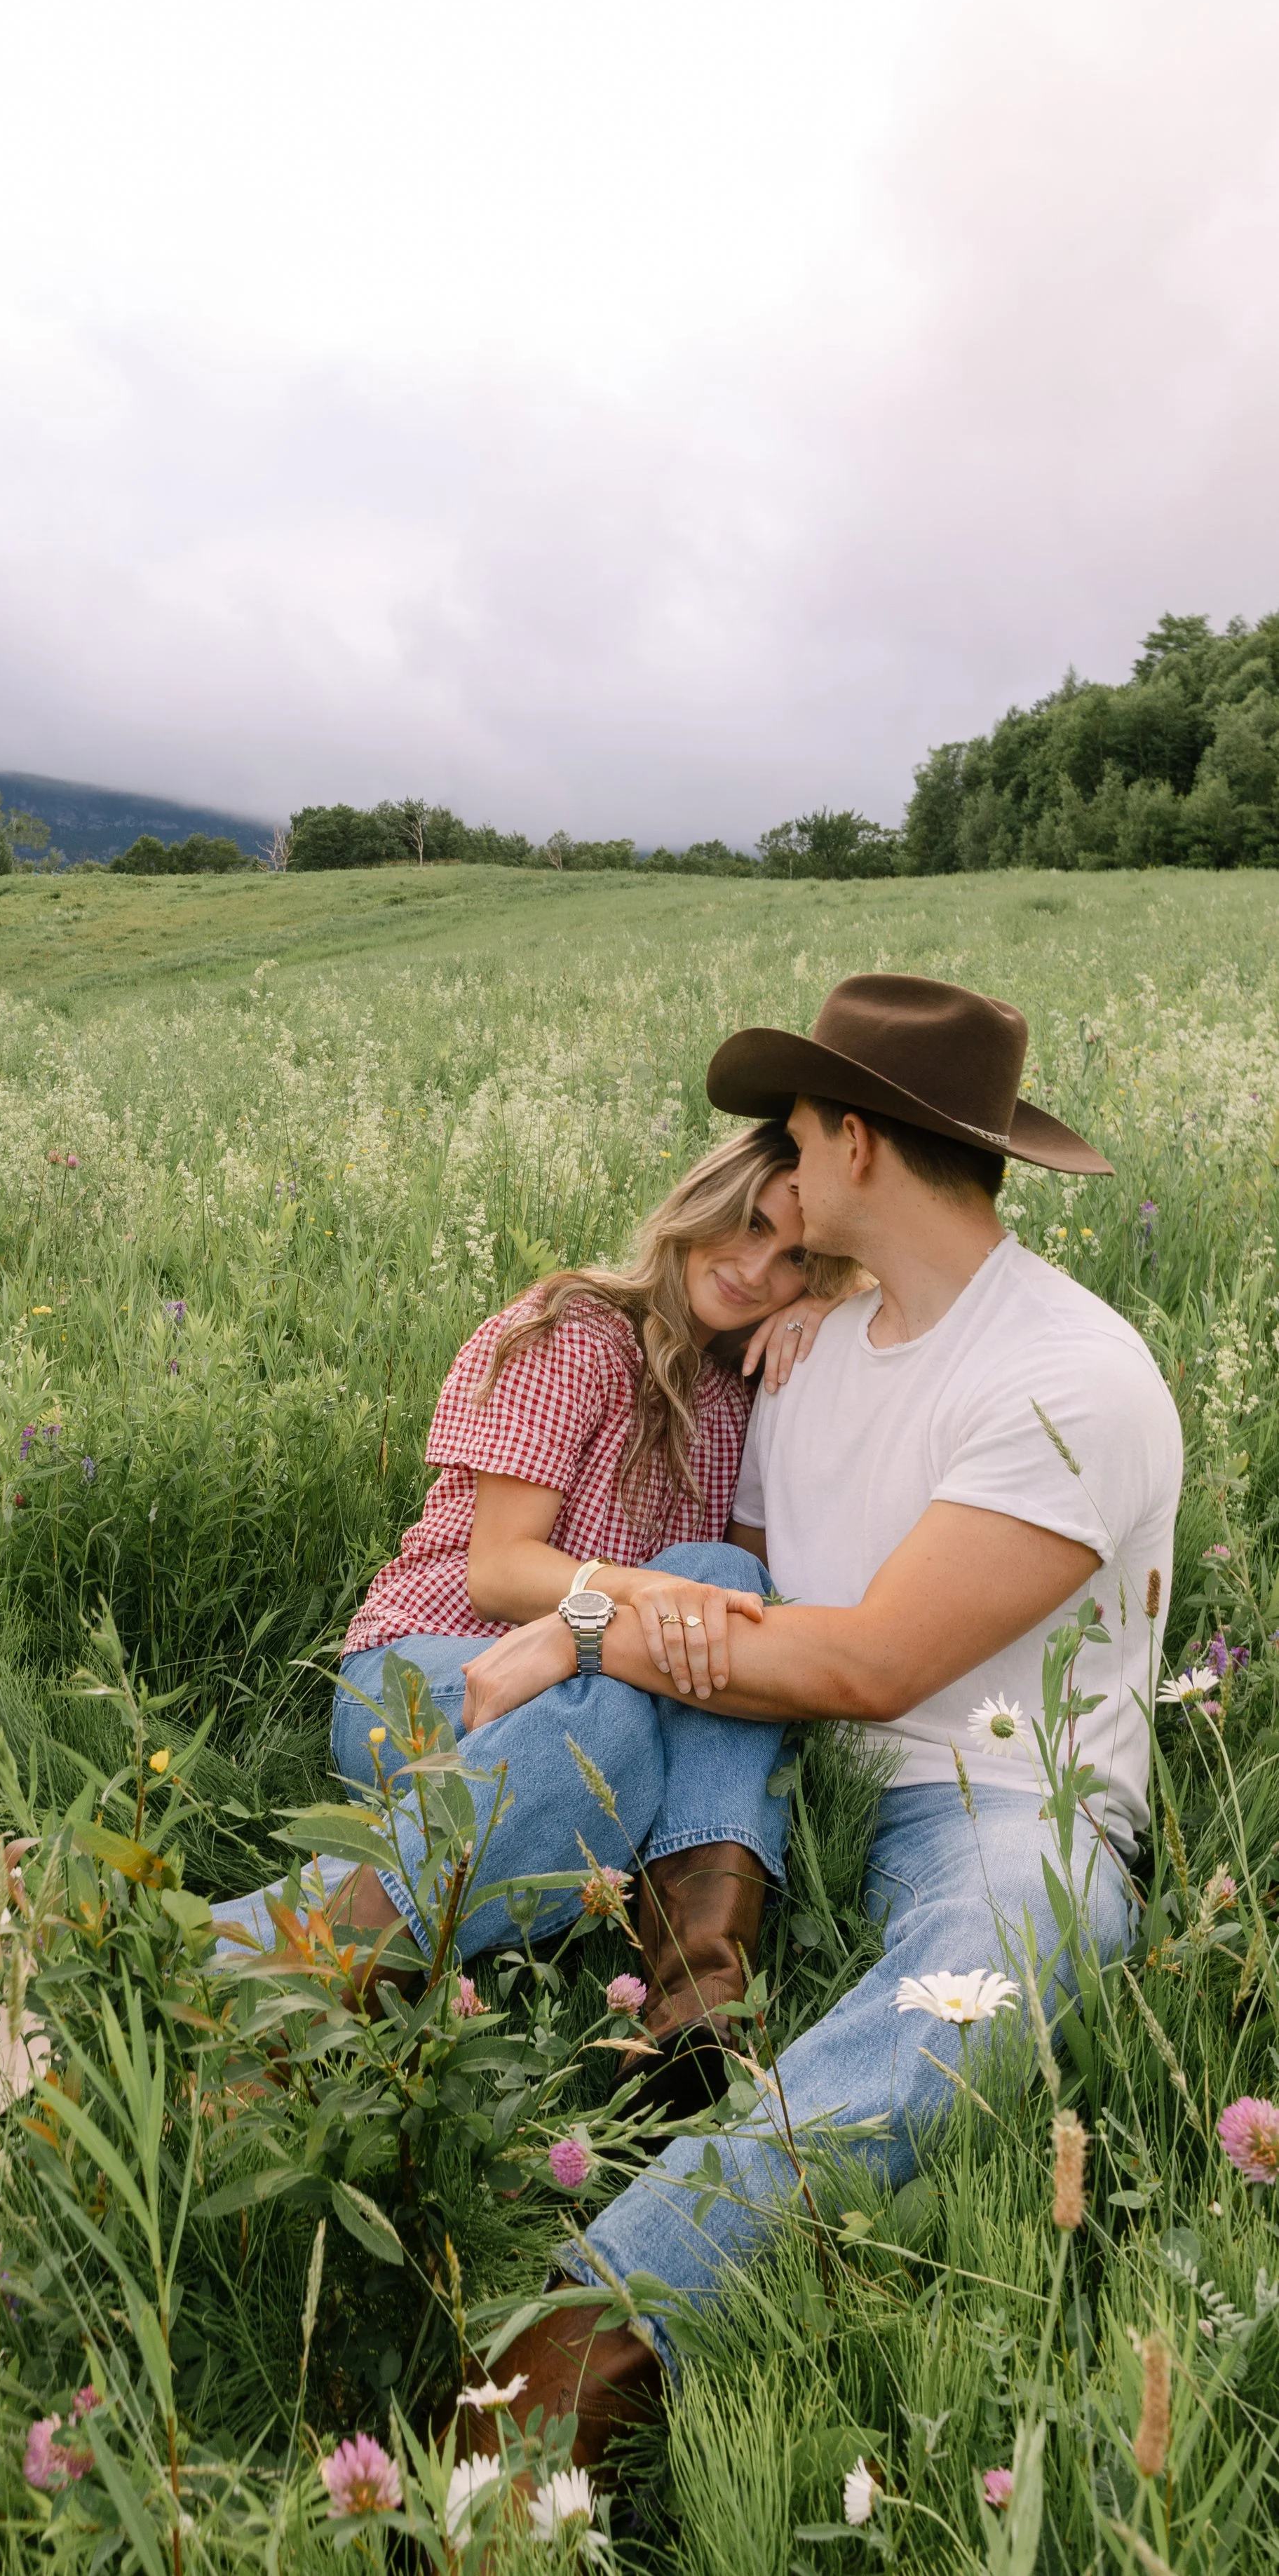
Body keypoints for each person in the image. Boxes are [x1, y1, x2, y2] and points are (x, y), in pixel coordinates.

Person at [452, 973, 1182, 2465]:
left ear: (852, 1146)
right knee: (550, 1773)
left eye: (789, 1135)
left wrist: (587, 1626)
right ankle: (277, 1963)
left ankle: (563, 2365)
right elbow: (749, 1593)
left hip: (991, 1801)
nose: (773, 1175)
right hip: (775, 1768)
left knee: (1021, 1951)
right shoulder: (807, 1356)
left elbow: (864, 1668)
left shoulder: (1070, 1378)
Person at [212, 1125, 859, 2099]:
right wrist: (637, 1605)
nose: (755, 1266)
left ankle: (696, 2004)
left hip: (596, 1674)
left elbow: (721, 1613)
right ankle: (244, 1959)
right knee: (616, 1721)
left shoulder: (740, 1397)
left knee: (718, 1577)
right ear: (701, 1205)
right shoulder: (575, 1329)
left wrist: (832, 1319)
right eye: (748, 1224)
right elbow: (503, 1572)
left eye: (795, 1259)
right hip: (433, 1662)